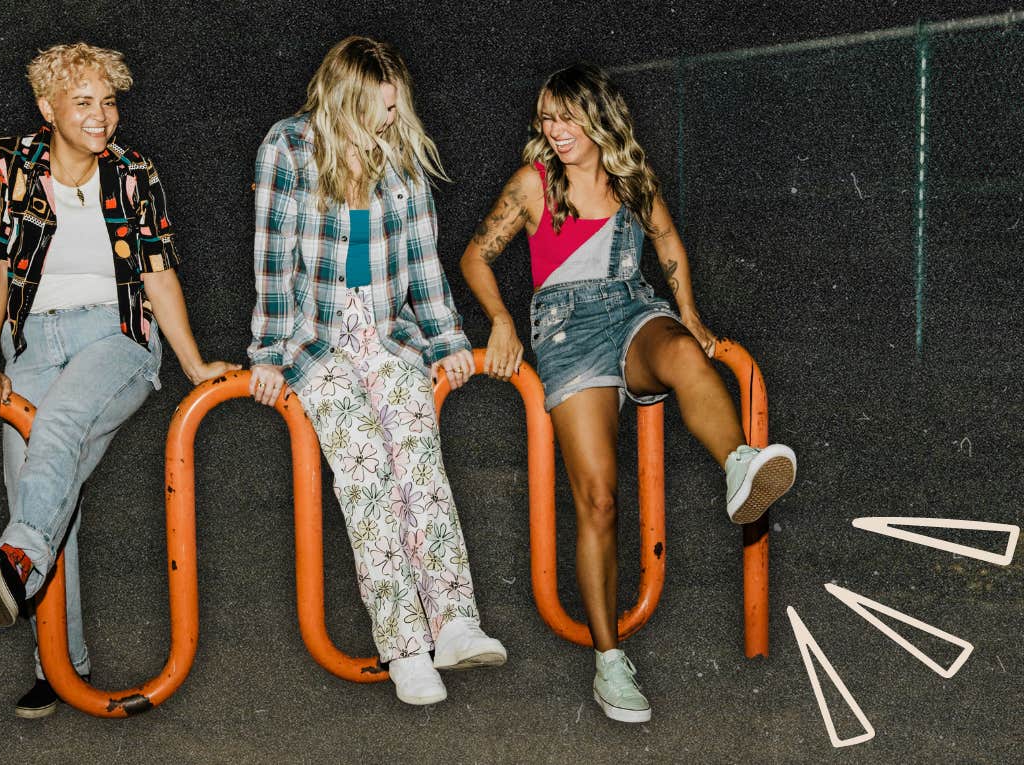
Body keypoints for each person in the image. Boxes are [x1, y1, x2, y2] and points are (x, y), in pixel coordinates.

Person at [459, 63, 797, 723]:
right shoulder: (533, 186)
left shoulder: (631, 182)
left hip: (632, 309)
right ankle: (609, 662)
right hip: (567, 332)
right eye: (546, 118)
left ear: (598, 115)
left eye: (567, 116)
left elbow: (666, 239)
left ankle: (739, 466)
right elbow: (475, 255)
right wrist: (501, 318)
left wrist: (690, 311)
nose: (555, 131)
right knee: (600, 499)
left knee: (679, 351)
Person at [0, 42, 238, 718]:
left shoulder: (134, 171)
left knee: (59, 430)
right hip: (33, 339)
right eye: (84, 102)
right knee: (39, 483)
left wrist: (192, 362)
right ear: (47, 108)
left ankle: (15, 563)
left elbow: (158, 271)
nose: (102, 116)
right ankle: (60, 666)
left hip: (118, 335)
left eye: (109, 102)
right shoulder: (3, 164)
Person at [247, 36, 507, 706]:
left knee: (419, 457)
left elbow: (423, 259)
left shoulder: (397, 153)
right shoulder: (289, 147)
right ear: (340, 99)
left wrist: (448, 336)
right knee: (365, 470)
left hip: (390, 334)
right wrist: (271, 353)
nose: (386, 121)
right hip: (319, 343)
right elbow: (274, 259)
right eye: (374, 110)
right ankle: (404, 647)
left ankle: (454, 621)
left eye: (393, 108)